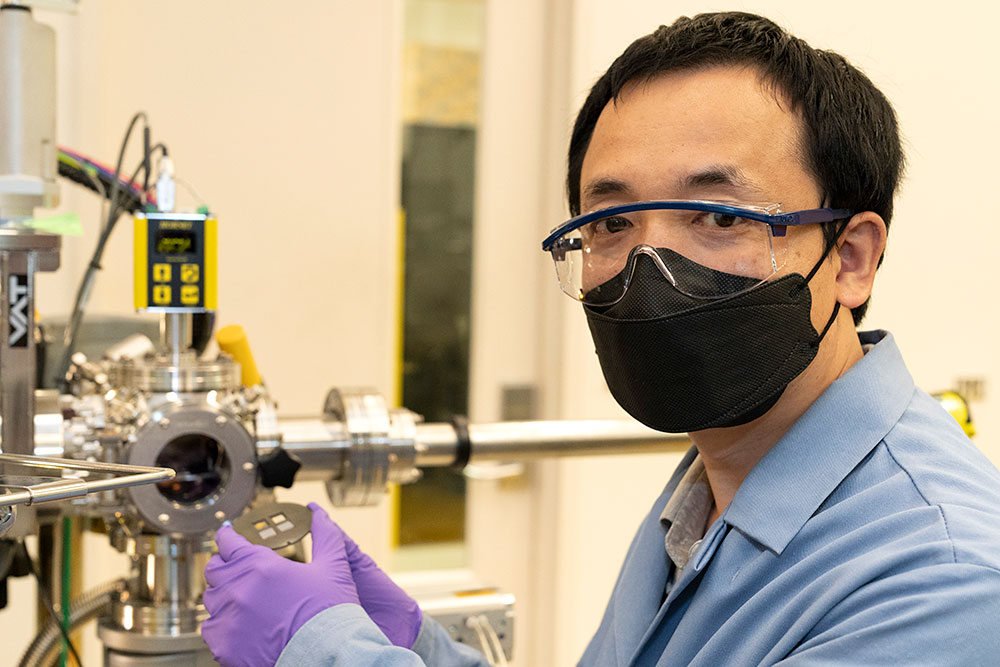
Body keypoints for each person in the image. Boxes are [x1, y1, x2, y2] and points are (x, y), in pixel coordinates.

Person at [201, 11, 1000, 666]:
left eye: (719, 217)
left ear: (851, 258)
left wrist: (324, 650)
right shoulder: (709, 491)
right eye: (612, 222)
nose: (650, 271)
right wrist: (408, 639)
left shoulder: (945, 579)